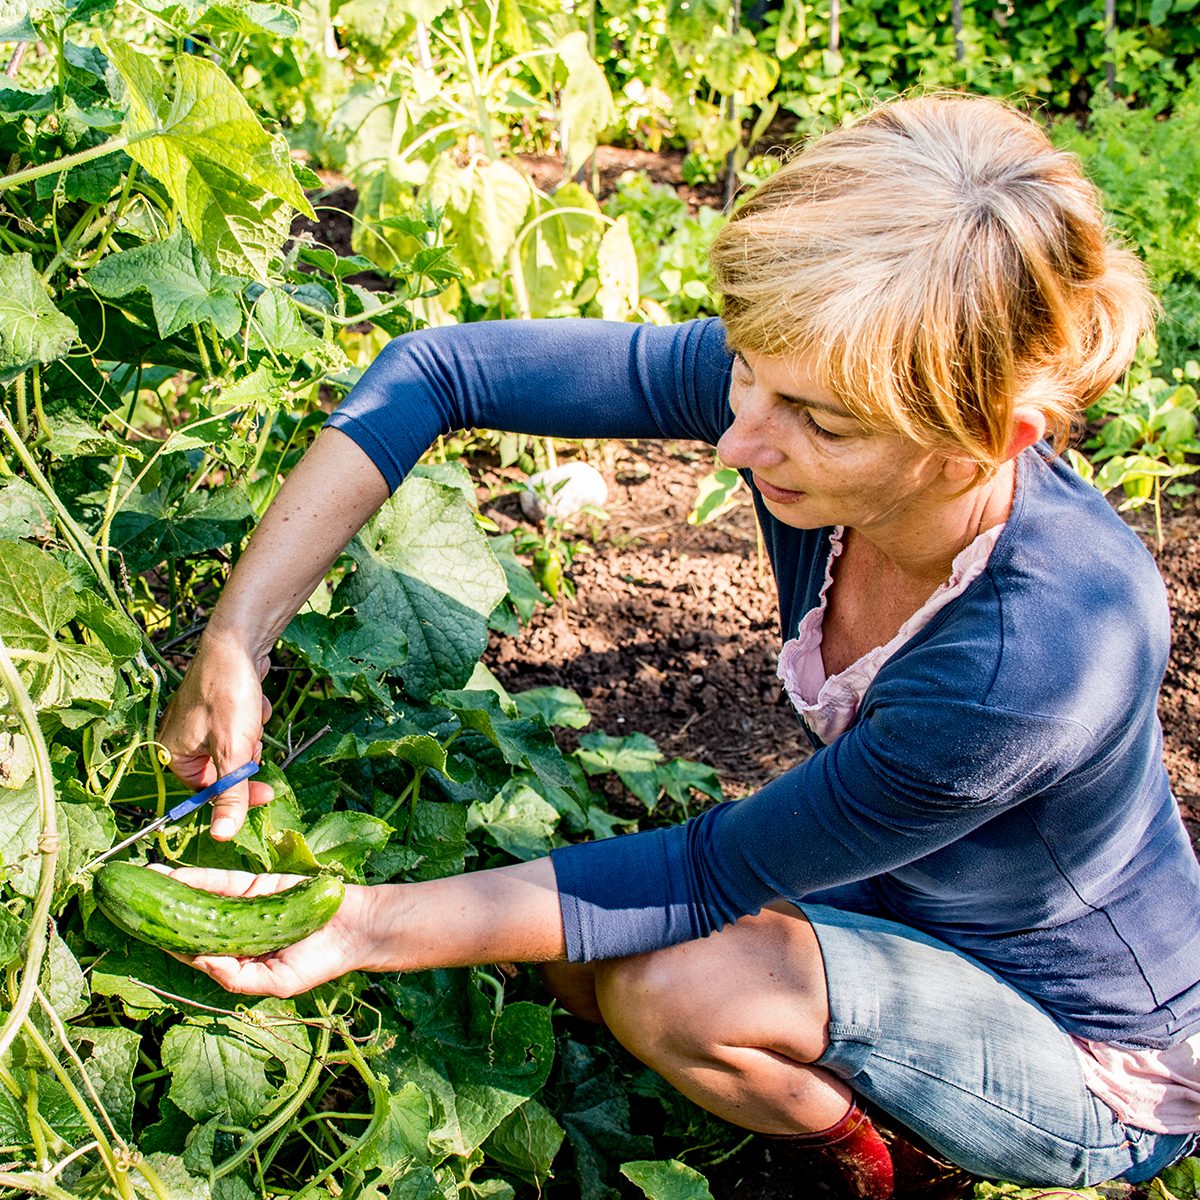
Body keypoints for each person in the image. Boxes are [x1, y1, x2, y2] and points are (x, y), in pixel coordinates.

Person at [158, 92, 1200, 1198]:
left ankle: (881, 1171)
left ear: (985, 439)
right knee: (564, 947)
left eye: (816, 422)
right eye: (748, 371)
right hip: (892, 899)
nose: (743, 439)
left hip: (1083, 1045)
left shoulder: (1032, 662)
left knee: (671, 991)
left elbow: (702, 875)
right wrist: (238, 637)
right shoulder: (831, 385)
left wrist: (358, 926)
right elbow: (440, 371)